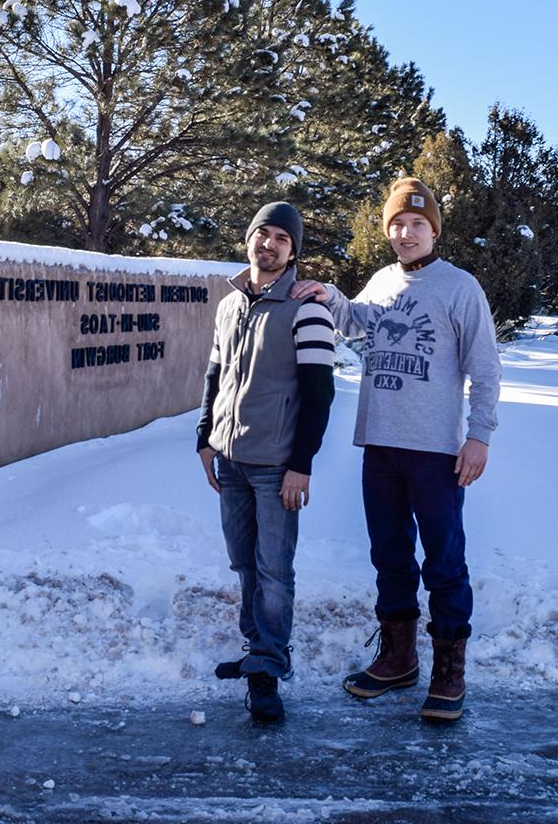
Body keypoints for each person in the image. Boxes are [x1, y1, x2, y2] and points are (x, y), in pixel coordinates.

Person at [292, 177, 501, 721]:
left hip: (435, 452)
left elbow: (485, 368)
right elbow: (357, 322)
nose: (407, 233)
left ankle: (449, 671)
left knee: (445, 562)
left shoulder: (460, 287)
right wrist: (330, 297)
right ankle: (399, 658)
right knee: (389, 557)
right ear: (387, 230)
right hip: (379, 445)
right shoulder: (383, 279)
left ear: (433, 229)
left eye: (417, 224)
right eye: (398, 225)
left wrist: (478, 435)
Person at [196, 201, 336, 724]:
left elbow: (319, 394)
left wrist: (302, 464)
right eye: (262, 233)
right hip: (230, 459)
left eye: (281, 237)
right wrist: (204, 439)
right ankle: (257, 647)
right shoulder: (230, 305)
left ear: (293, 249)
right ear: (248, 240)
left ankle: (269, 668)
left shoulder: (307, 310)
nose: (269, 244)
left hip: (277, 464)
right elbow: (214, 375)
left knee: (274, 569)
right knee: (243, 562)